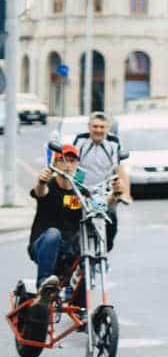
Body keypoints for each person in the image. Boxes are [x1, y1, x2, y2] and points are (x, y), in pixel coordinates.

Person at [28, 145, 83, 292]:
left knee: (87, 239)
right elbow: (40, 192)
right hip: (44, 245)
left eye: (72, 161)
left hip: (69, 248)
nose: (67, 165)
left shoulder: (80, 192)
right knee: (53, 233)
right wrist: (41, 182)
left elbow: (97, 206)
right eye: (63, 160)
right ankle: (44, 284)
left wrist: (114, 196)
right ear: (55, 164)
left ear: (77, 164)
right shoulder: (49, 186)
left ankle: (81, 303)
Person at [72, 112, 130, 251]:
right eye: (95, 126)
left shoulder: (113, 143)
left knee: (110, 219)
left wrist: (125, 193)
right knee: (72, 220)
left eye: (102, 127)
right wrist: (77, 187)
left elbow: (119, 169)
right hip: (83, 192)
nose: (98, 130)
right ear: (89, 127)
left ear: (107, 128)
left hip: (104, 192)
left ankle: (104, 252)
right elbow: (75, 166)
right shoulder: (80, 140)